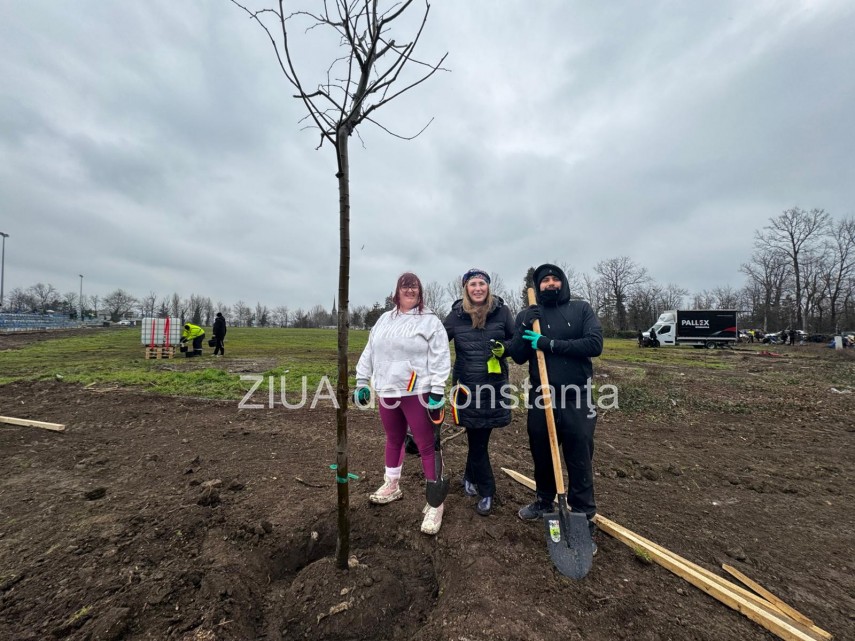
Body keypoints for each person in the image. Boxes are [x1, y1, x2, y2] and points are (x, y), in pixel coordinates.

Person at [505, 263, 603, 555]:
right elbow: (518, 355)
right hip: (542, 396)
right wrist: (524, 326)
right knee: (542, 451)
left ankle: (583, 513)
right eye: (544, 280)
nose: (550, 284)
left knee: (579, 453)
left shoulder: (581, 310)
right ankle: (544, 500)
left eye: (554, 279)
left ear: (563, 283)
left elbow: (594, 344)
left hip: (576, 395)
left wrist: (549, 344)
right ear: (537, 286)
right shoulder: (529, 315)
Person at [355, 272, 452, 535]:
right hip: (387, 389)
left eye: (414, 287)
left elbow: (440, 355)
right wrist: (362, 381)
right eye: (405, 286)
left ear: (420, 292)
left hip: (417, 391)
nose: (410, 290)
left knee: (426, 444)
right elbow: (370, 351)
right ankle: (392, 484)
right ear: (396, 291)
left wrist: (437, 389)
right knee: (393, 438)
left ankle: (435, 502)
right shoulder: (384, 320)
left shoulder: (430, 321)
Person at [443, 268, 515, 516]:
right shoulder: (456, 315)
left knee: (479, 439)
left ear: (488, 287)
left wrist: (504, 348)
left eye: (481, 284)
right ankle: (486, 489)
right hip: (467, 387)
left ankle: (472, 479)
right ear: (466, 288)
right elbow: (437, 341)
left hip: (493, 387)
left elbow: (515, 341)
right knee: (477, 438)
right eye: (472, 284)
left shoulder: (502, 312)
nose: (477, 288)